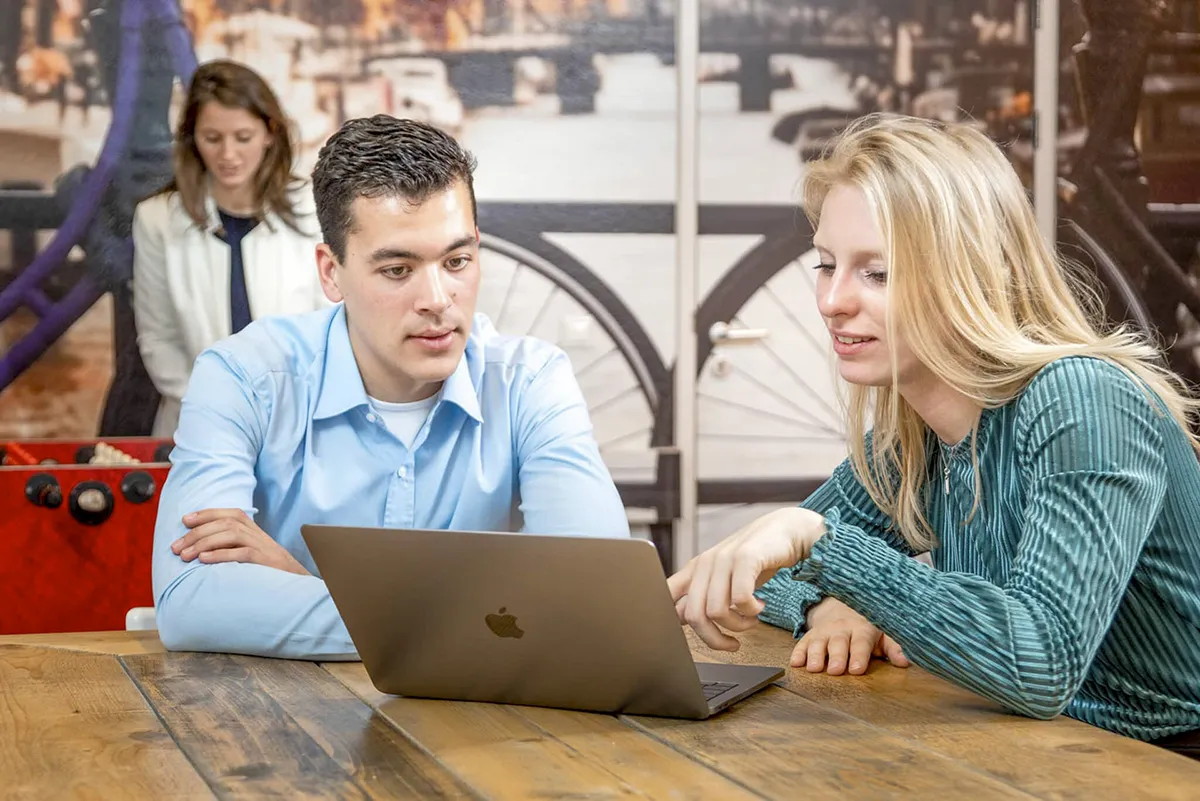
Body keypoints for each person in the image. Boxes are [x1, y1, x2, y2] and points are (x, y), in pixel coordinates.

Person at [669, 113, 1200, 757]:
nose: (832, 301)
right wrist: (829, 608)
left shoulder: (1084, 401)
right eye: (827, 264)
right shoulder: (914, 434)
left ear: (973, 275)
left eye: (878, 273)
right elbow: (767, 573)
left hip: (1162, 761)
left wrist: (827, 550)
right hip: (1041, 753)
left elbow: (1038, 664)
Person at [151, 114, 631, 660]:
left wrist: (307, 587)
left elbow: (595, 600)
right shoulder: (242, 377)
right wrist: (488, 621)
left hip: (478, 732)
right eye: (398, 270)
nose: (438, 299)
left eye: (457, 261)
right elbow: (190, 601)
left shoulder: (531, 382)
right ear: (331, 273)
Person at [132, 59, 329, 438]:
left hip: (299, 426)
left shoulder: (314, 209)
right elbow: (158, 339)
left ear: (270, 133)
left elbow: (333, 329)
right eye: (212, 138)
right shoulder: (156, 220)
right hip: (195, 428)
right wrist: (214, 412)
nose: (228, 155)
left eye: (243, 137)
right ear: (192, 138)